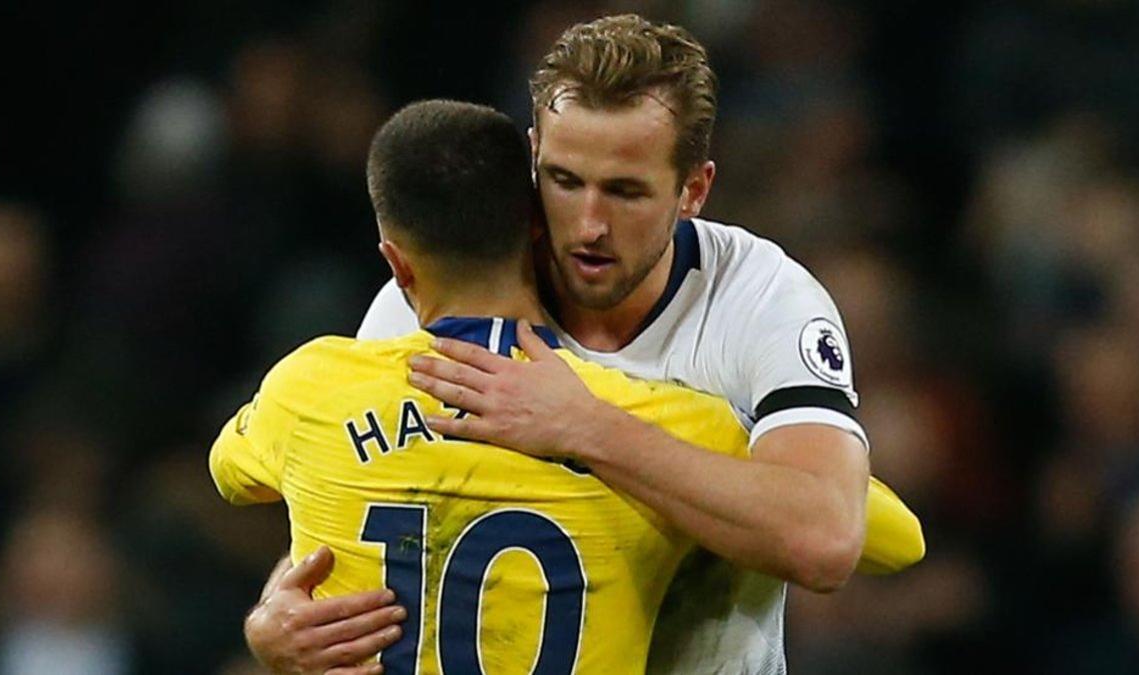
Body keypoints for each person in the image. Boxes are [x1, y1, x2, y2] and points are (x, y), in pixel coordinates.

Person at [244, 15, 925, 675]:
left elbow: (827, 539)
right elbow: (366, 504)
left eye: (626, 191)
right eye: (565, 181)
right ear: (534, 151)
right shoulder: (435, 289)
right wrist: (279, 616)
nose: (590, 225)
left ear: (694, 189)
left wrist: (587, 426)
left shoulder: (761, 300)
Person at [212, 99, 765, 674]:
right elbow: (840, 526)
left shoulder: (308, 389)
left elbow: (233, 473)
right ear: (536, 227)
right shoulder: (676, 425)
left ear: (396, 265)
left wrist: (267, 619)